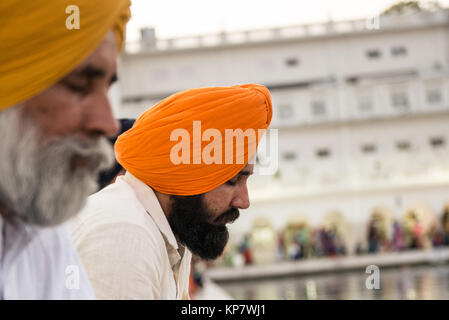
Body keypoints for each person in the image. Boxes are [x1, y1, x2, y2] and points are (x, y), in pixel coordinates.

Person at [69, 84, 273, 299]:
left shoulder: (168, 229)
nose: (244, 201)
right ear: (183, 177)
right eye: (232, 180)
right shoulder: (125, 235)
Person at [0, 0, 131, 299]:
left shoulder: (41, 234)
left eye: (107, 89)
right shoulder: (127, 233)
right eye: (78, 87)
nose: (109, 124)